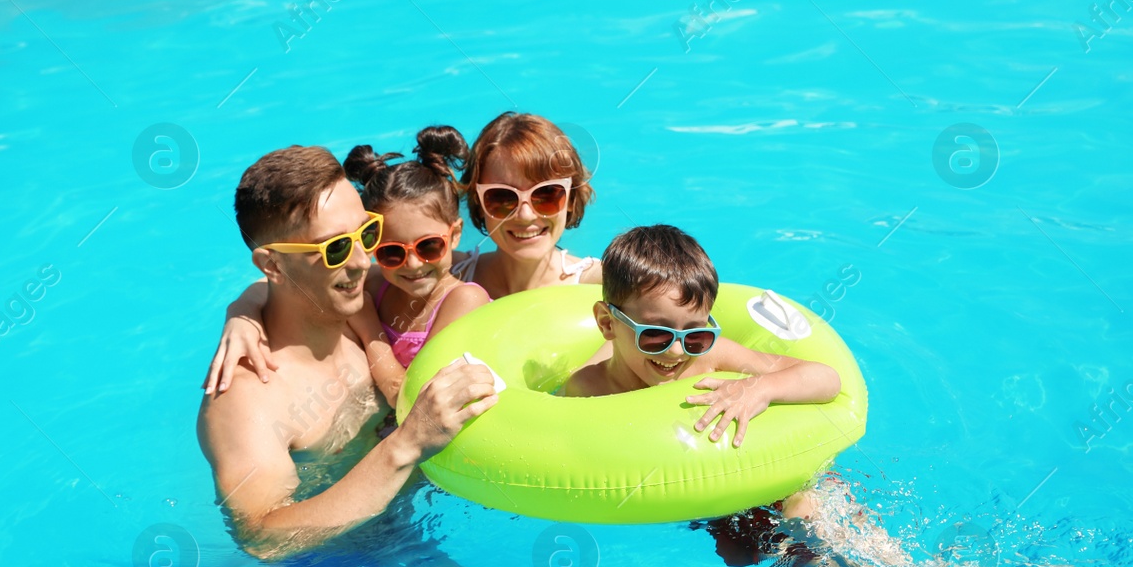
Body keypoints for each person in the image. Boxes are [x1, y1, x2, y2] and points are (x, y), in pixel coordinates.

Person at [196, 145, 498, 562]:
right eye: (335, 248)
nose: (362, 262)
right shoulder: (248, 399)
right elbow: (262, 538)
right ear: (274, 266)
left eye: (367, 234)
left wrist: (241, 308)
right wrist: (406, 445)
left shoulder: (356, 314)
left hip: (413, 538)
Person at [205, 126, 489, 404]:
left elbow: (411, 397)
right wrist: (241, 315)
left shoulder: (464, 299)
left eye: (429, 246)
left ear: (454, 235)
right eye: (390, 252)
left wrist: (369, 330)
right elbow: (280, 280)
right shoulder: (376, 282)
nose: (413, 264)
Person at [560, 224, 841, 446]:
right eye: (656, 335)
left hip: (743, 476)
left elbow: (826, 378)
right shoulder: (587, 388)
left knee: (804, 503)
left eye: (696, 335)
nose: (677, 351)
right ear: (608, 324)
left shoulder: (711, 359)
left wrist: (761, 388)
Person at [451, 111, 601, 297]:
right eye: (502, 197)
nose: (525, 215)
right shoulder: (449, 278)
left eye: (546, 194)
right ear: (478, 202)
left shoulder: (602, 284)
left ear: (571, 198)